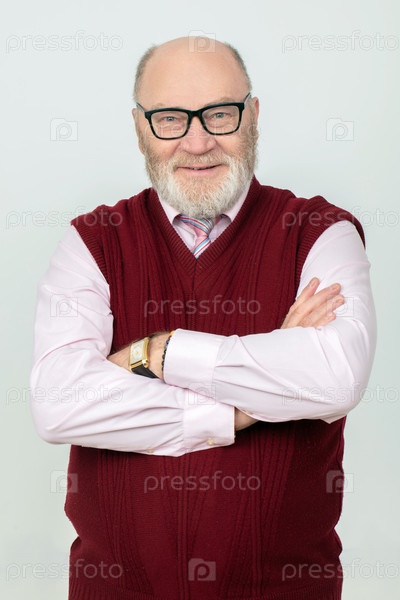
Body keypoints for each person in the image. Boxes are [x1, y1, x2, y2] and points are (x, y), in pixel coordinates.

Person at [30, 36, 376, 600]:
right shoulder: (91, 242)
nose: (197, 141)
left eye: (219, 114)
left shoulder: (322, 232)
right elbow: (57, 403)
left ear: (253, 115)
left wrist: (158, 353)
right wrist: (247, 402)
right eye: (170, 118)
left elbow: (336, 377)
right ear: (140, 128)